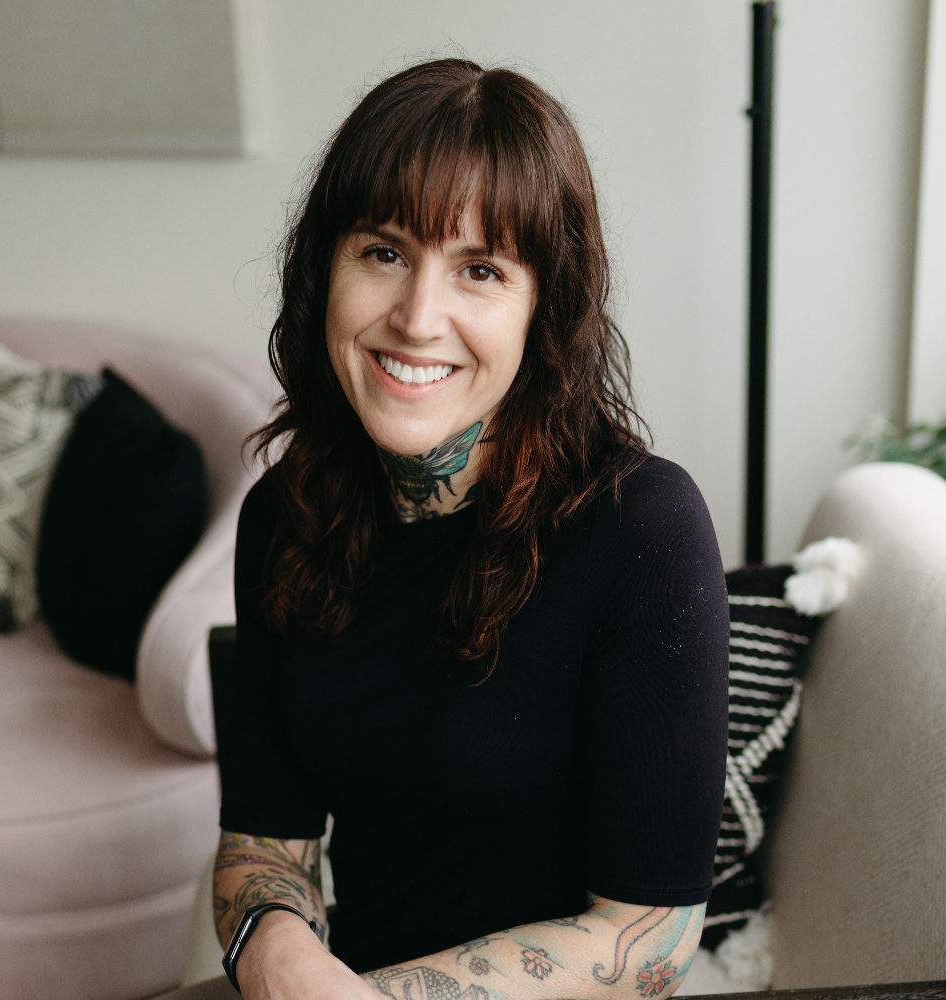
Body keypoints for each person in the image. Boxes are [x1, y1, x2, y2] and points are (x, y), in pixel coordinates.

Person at [212, 58, 730, 1000]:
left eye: (480, 270)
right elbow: (262, 837)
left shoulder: (643, 532)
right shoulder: (283, 515)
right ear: (324, 266)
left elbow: (649, 936)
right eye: (384, 252)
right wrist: (277, 953)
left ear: (545, 310)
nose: (417, 318)